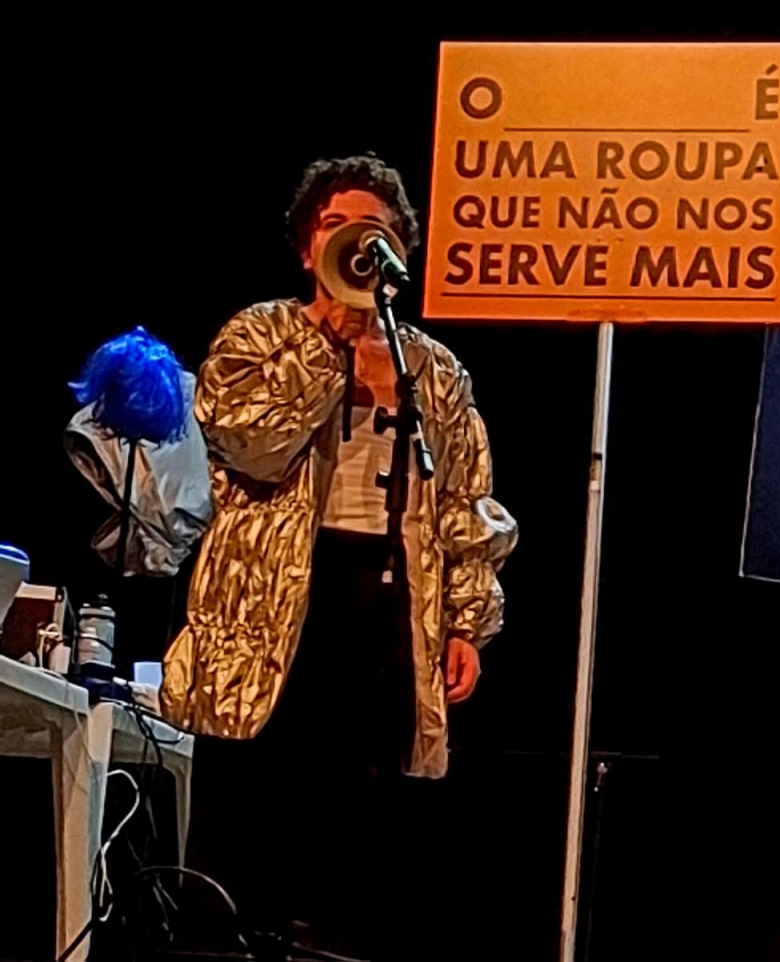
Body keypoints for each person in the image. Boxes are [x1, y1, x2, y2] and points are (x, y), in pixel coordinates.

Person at [160, 154, 517, 960]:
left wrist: (466, 622)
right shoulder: (260, 334)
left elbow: (466, 500)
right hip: (267, 617)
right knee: (242, 833)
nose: (355, 241)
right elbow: (250, 445)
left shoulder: (435, 371)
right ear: (305, 246)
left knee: (353, 842)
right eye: (335, 226)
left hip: (384, 608)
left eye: (374, 230)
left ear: (400, 250)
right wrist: (329, 342)